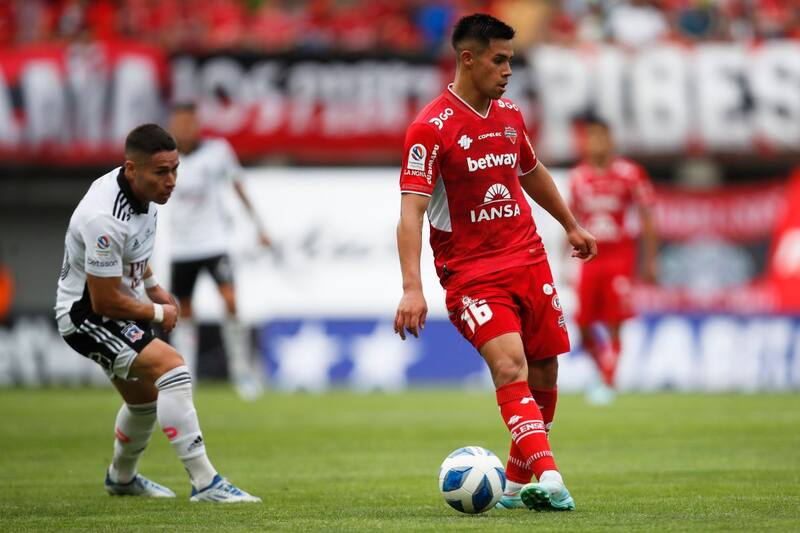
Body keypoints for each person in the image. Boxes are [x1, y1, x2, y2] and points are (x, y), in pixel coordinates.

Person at [394, 13, 596, 512]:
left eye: (511, 60)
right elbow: (411, 212)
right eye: (499, 59)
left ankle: (511, 484)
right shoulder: (430, 129)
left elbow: (530, 170)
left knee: (545, 370)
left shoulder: (508, 115)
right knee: (510, 365)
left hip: (528, 258)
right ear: (468, 58)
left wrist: (570, 223)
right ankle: (549, 476)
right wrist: (412, 287)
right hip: (472, 274)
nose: (508, 70)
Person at [54, 124, 260, 502]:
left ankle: (121, 477)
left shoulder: (144, 193)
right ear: (132, 169)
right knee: (173, 368)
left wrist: (151, 285)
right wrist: (155, 311)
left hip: (115, 306)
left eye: (176, 169)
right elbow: (103, 302)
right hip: (86, 317)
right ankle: (206, 483)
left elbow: (135, 251)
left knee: (145, 401)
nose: (172, 181)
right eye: (162, 172)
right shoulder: (103, 218)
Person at [166, 103, 271, 401]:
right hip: (182, 247)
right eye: (179, 124)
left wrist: (258, 226)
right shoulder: (165, 159)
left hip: (215, 242)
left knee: (230, 300)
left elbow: (238, 187)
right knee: (184, 311)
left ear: (197, 125)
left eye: (189, 124)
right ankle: (187, 375)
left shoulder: (217, 152)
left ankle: (241, 370)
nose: (184, 130)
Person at [569, 114, 658, 405]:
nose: (595, 143)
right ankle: (602, 370)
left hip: (619, 256)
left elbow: (647, 218)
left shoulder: (630, 174)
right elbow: (571, 221)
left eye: (600, 136)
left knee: (615, 321)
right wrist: (564, 262)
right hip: (588, 261)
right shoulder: (578, 177)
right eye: (590, 137)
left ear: (610, 140)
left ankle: (608, 381)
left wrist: (649, 261)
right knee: (581, 326)